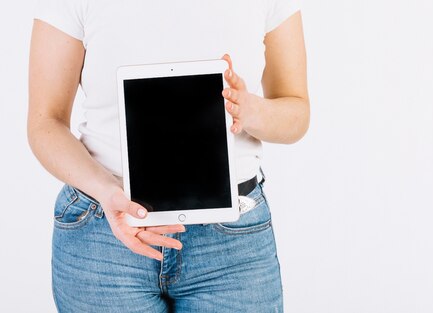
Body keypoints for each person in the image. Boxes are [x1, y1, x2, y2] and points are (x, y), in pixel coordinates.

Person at [27, 0, 309, 311]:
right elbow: (44, 122)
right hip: (104, 236)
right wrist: (107, 192)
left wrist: (252, 111)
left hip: (233, 242)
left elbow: (297, 111)